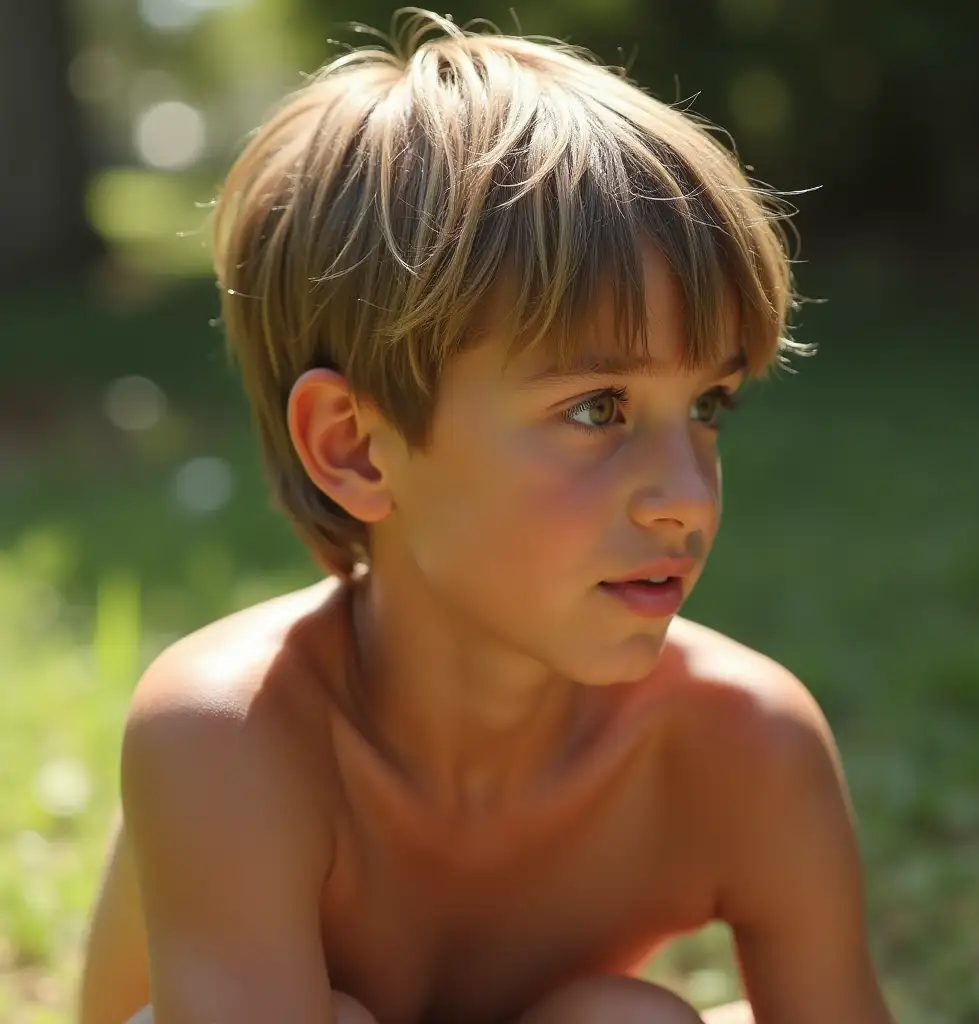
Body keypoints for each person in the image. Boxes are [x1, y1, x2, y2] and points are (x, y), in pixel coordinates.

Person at [78, 9, 894, 1024]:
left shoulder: (745, 744)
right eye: (597, 408)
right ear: (354, 445)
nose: (686, 493)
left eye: (707, 406)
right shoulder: (233, 733)